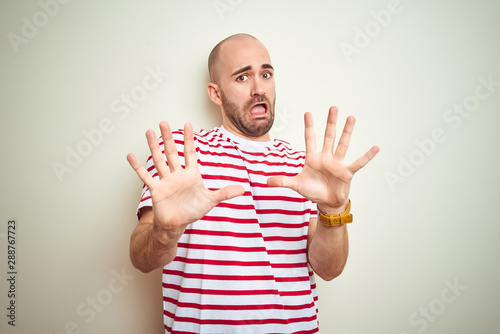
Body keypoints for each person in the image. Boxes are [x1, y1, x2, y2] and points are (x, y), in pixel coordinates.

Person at [126, 33, 379, 333]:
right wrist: (165, 233)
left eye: (266, 74)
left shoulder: (306, 168)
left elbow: (329, 269)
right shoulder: (181, 154)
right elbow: (140, 259)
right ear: (215, 93)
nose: (259, 88)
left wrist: (333, 210)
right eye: (243, 77)